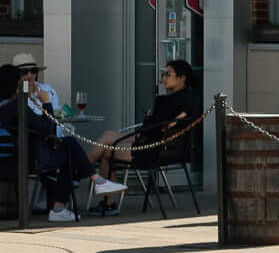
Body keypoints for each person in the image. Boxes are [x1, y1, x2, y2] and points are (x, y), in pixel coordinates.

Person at [85, 59, 204, 205]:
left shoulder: (174, 101)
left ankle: (82, 171)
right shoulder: (190, 99)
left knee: (106, 147)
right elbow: (164, 126)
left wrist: (150, 121)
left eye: (168, 74)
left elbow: (161, 128)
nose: (164, 78)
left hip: (151, 150)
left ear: (182, 77)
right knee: (108, 138)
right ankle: (100, 191)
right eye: (163, 74)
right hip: (159, 146)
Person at [4, 60, 98, 221]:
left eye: (33, 71)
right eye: (23, 74)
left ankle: (94, 180)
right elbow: (48, 127)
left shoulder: (7, 104)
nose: (29, 76)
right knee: (70, 151)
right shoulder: (16, 105)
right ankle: (61, 206)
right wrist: (46, 103)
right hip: (24, 160)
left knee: (68, 146)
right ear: (15, 82)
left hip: (21, 154)